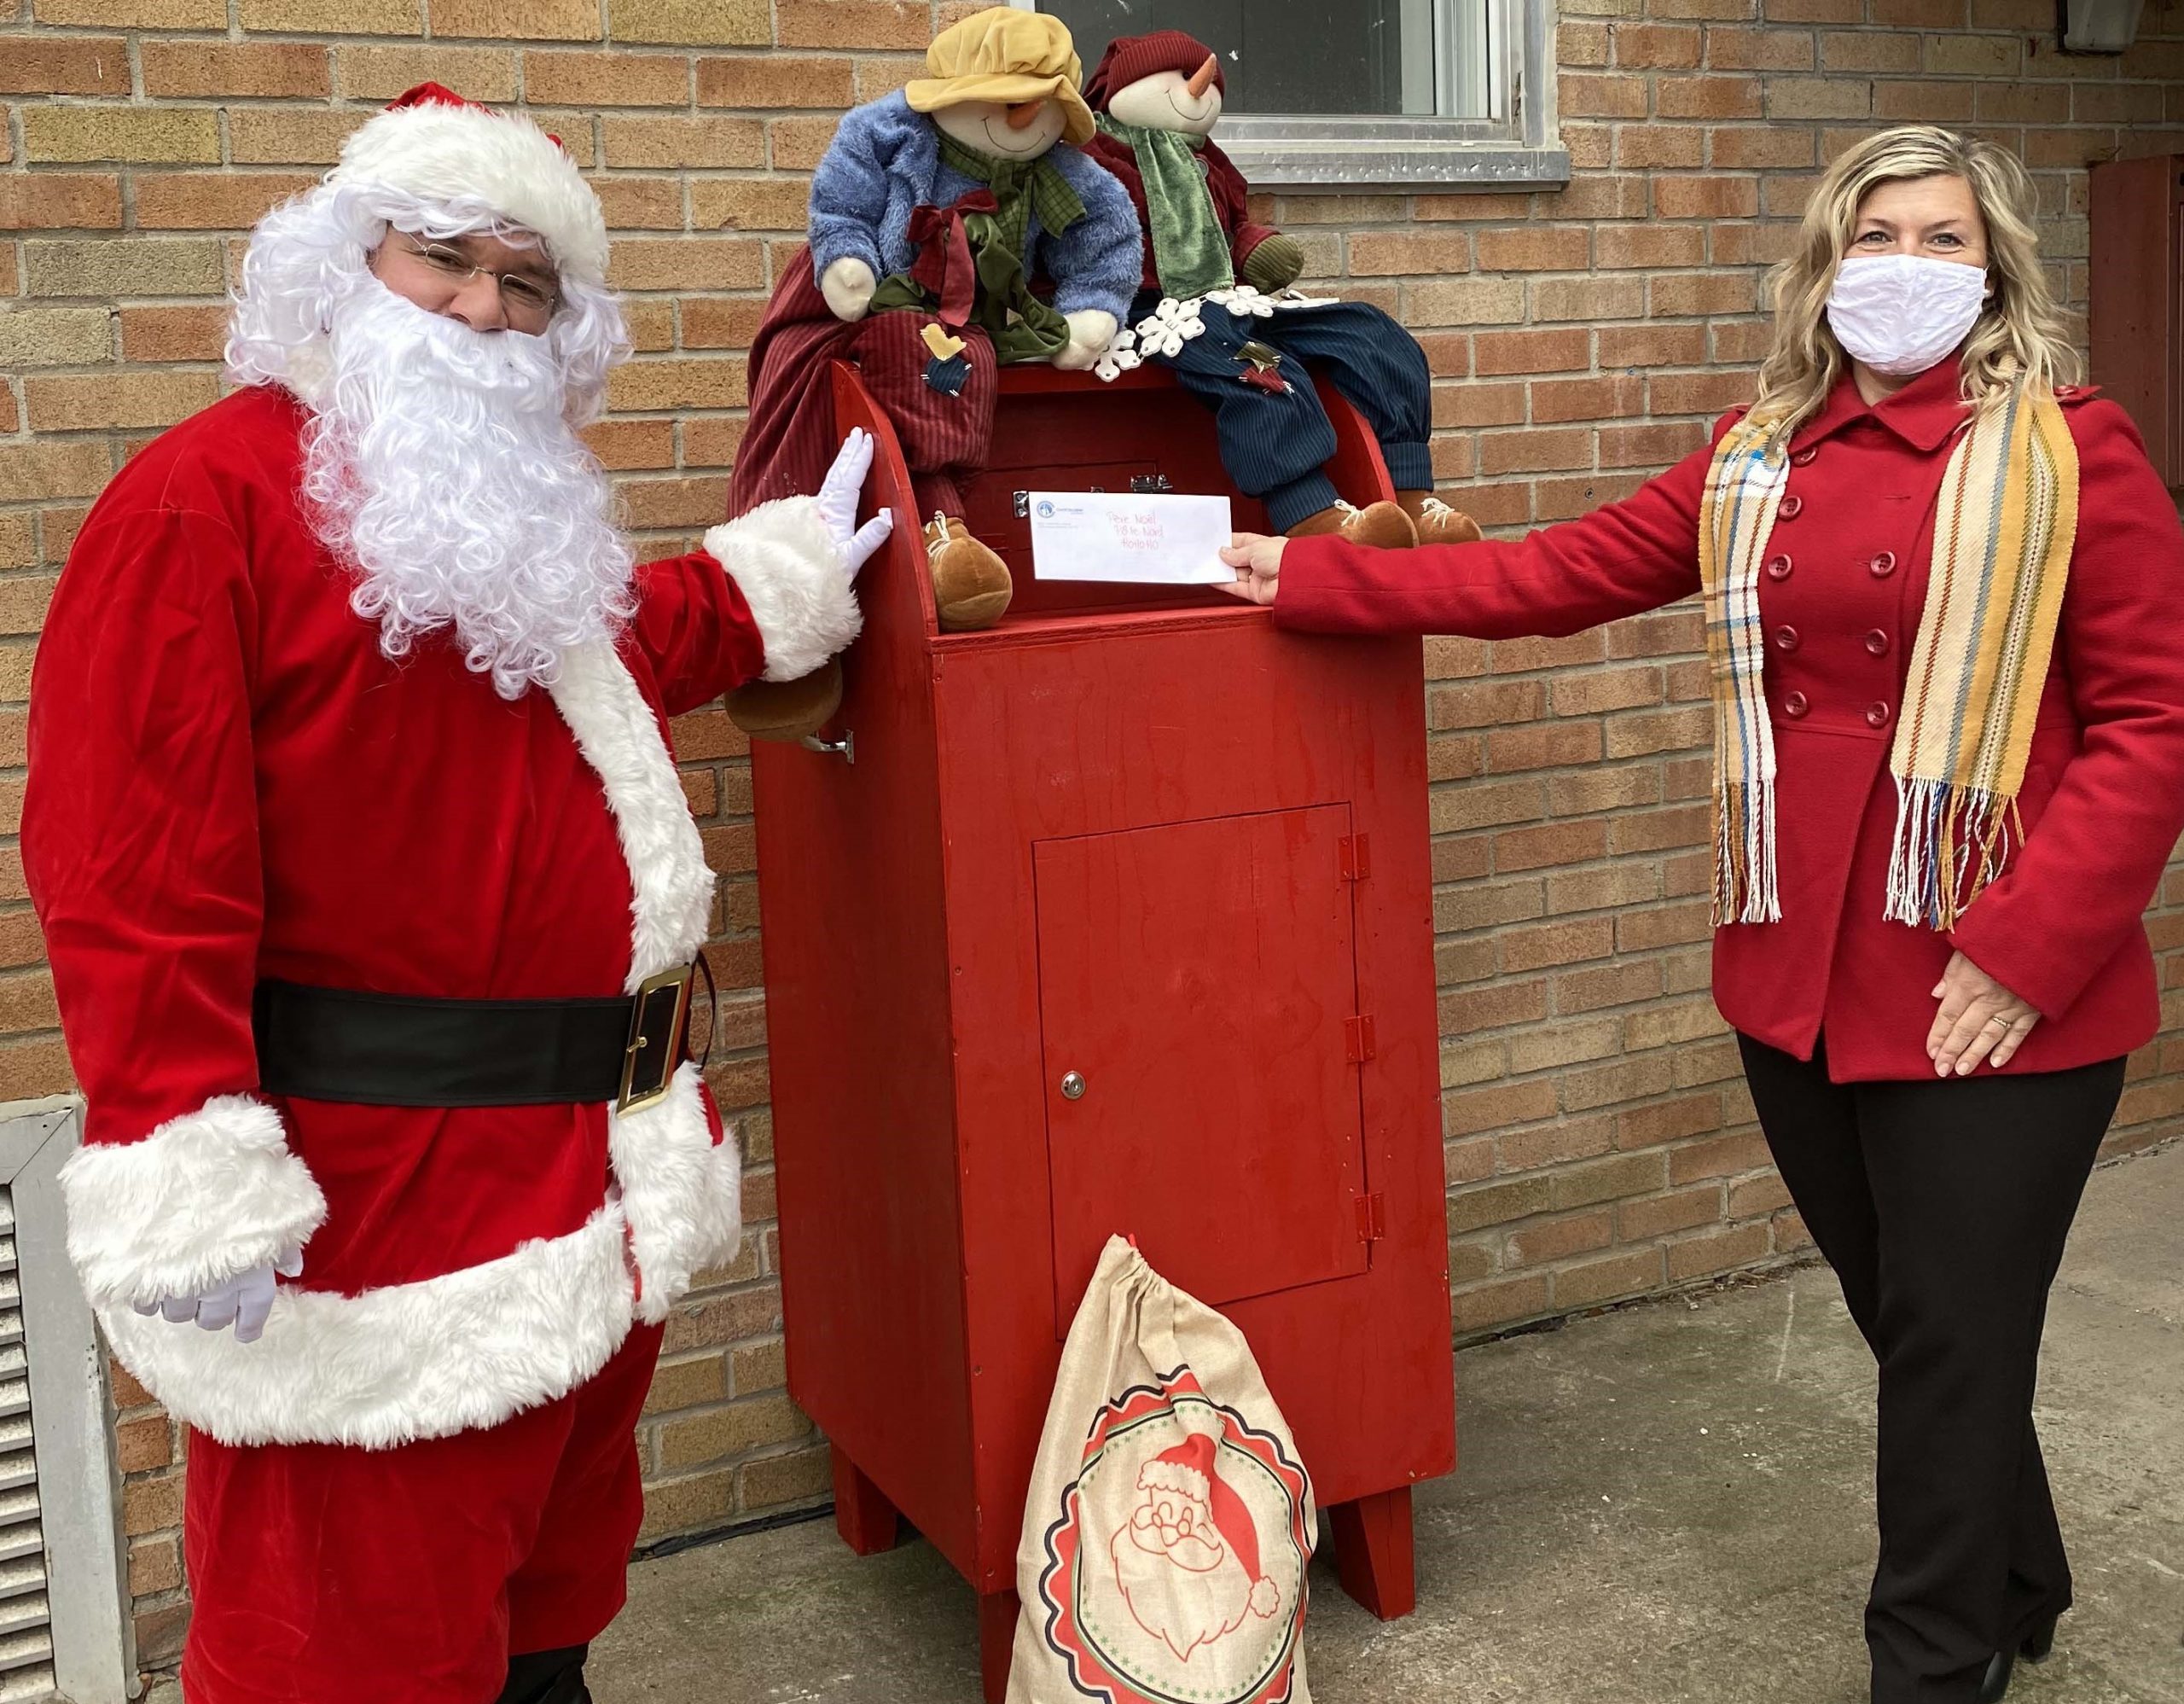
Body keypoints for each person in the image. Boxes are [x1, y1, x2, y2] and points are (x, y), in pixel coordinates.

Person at [1222, 125, 2184, 1704]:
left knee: (1948, 1346)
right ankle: (2021, 1575)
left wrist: (2024, 952)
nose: (1907, 265)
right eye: (1876, 235)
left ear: (1996, 269)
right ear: (1827, 265)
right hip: (1799, 975)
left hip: (1995, 976)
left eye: (1944, 239)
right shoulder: (1758, 456)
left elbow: (2153, 723)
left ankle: (1930, 1664)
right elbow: (1556, 574)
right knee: (1923, 1329)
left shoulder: (2077, 452)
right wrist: (1315, 580)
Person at [22, 83, 890, 1704]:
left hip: (588, 1197)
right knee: (349, 1661)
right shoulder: (202, 504)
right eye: (448, 259)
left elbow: (622, 644)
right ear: (349, 259)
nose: (487, 309)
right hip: (377, 1238)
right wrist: (184, 1155)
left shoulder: (508, 507)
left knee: (545, 1627)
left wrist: (774, 587)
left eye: (527, 281)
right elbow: (126, 868)